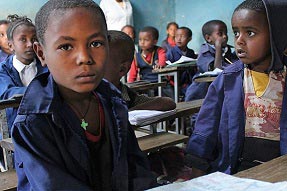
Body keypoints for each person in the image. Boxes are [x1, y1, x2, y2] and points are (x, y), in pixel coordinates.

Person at [11, 0, 157, 190]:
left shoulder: (112, 102)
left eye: (96, 43)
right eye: (66, 47)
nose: (84, 57)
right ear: (41, 53)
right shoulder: (33, 123)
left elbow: (136, 169)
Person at [185, 0, 287, 178]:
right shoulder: (228, 79)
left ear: (277, 34)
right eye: (236, 32)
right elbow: (205, 129)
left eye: (250, 33)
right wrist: (197, 173)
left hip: (280, 171)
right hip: (238, 170)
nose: (239, 40)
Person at [105, 30, 176, 111]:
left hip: (158, 81)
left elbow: (168, 103)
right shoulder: (91, 96)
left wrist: (127, 111)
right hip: (146, 81)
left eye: (103, 61)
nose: (89, 63)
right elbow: (133, 73)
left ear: (122, 69)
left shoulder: (127, 95)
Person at [0, 15, 47, 132]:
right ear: (11, 46)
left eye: (34, 39)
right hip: (16, 129)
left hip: (46, 128)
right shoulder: (3, 70)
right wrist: (44, 91)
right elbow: (8, 93)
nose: (30, 44)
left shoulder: (47, 65)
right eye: (23, 39)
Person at [184, 20, 238, 102]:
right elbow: (216, 69)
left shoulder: (227, 49)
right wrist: (218, 48)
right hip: (202, 90)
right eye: (220, 34)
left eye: (226, 33)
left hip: (220, 85)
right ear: (208, 38)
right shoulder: (204, 51)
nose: (224, 36)